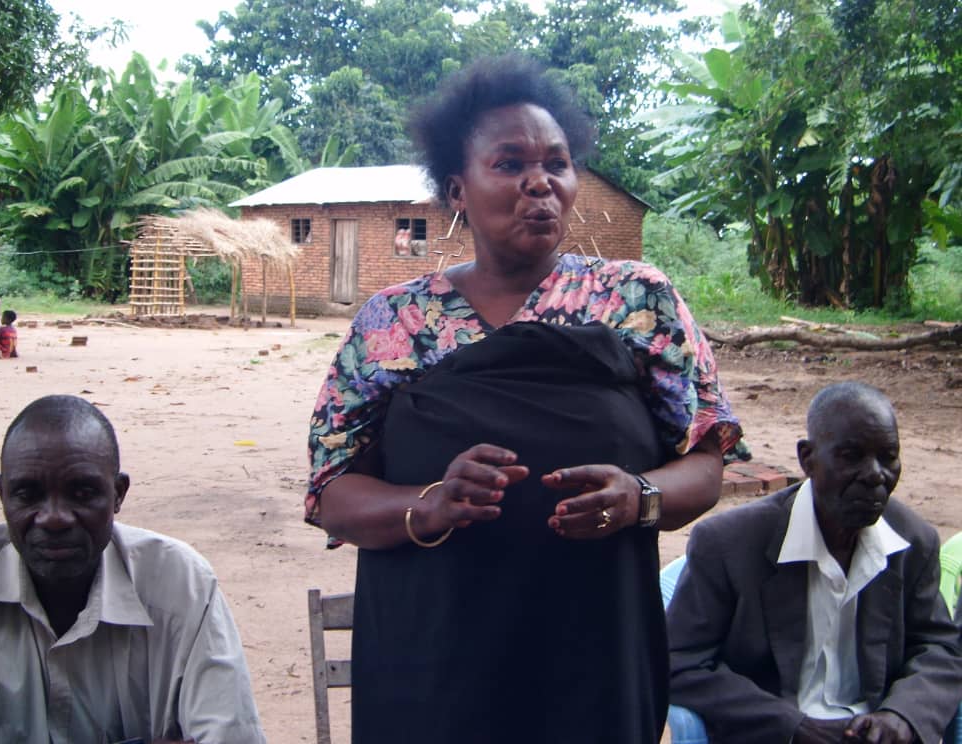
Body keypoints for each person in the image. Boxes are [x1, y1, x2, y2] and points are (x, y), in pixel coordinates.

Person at [305, 54, 744, 744]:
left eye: (557, 164)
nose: (539, 181)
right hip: (433, 658)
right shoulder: (393, 322)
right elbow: (331, 490)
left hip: (592, 653)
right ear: (457, 189)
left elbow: (706, 457)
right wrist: (429, 502)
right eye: (509, 163)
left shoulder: (637, 299)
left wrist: (639, 496)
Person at [0, 395, 266, 744]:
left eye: (81, 493)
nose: (53, 518)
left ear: (118, 495)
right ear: (2, 495)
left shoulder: (183, 586)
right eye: (28, 494)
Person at [667, 382, 962, 744]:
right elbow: (678, 661)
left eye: (888, 457)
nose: (874, 475)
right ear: (808, 459)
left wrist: (901, 715)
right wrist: (792, 726)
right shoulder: (729, 544)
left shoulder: (913, 543)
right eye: (851, 456)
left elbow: (941, 649)